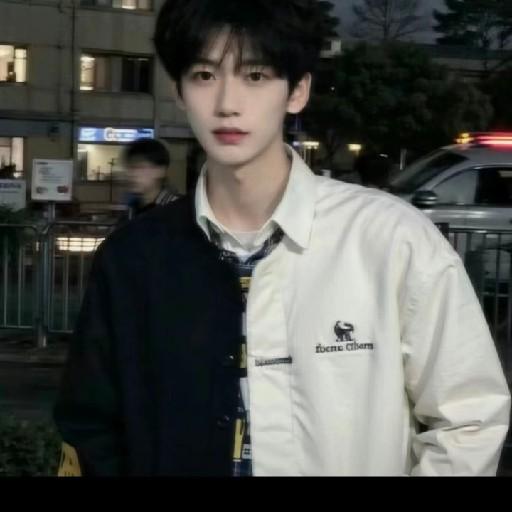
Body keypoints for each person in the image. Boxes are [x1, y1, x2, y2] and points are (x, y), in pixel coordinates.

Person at [54, 0, 510, 476]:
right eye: (204, 75)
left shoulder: (391, 240)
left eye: (255, 76)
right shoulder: (133, 258)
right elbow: (92, 427)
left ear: (297, 91)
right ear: (179, 92)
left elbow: (469, 417)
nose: (227, 103)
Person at [121, 138, 180, 219]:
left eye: (139, 167)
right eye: (129, 167)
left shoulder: (177, 209)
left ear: (161, 171)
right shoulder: (131, 210)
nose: (130, 174)